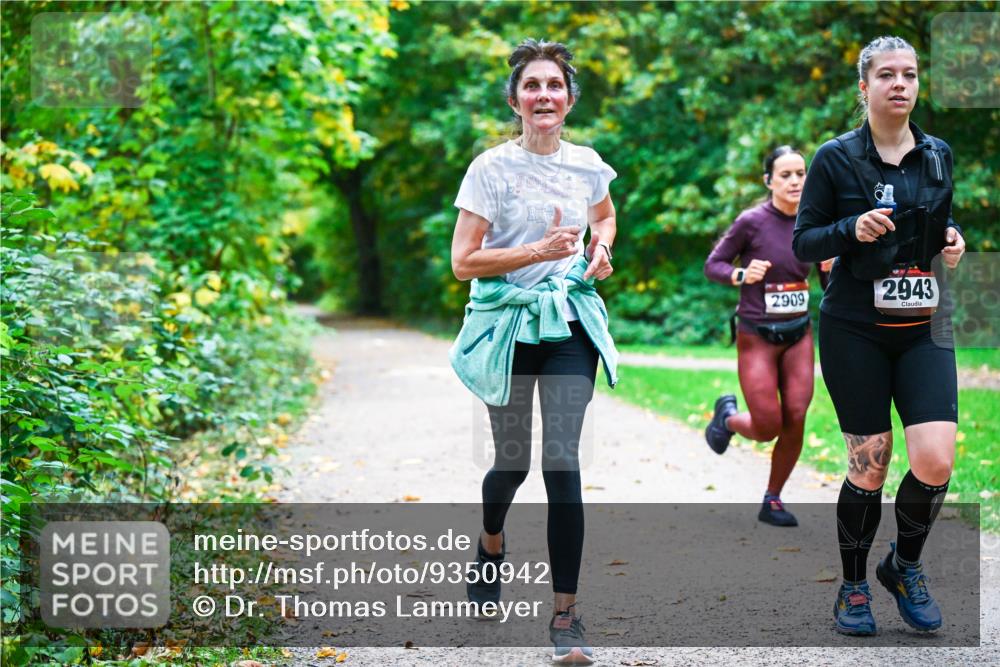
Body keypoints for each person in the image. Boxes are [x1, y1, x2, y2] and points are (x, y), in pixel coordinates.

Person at [449, 38, 619, 665]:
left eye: (554, 86)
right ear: (516, 100)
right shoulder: (489, 169)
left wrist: (601, 249)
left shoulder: (587, 164)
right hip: (509, 327)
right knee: (512, 462)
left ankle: (566, 616)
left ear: (569, 100)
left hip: (568, 323)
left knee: (562, 462)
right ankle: (491, 543)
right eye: (532, 86)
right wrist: (535, 252)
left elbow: (604, 217)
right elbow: (463, 262)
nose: (543, 95)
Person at [793, 36, 966, 636]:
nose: (900, 84)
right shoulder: (835, 158)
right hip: (855, 330)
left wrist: (952, 239)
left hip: (924, 327)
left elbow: (939, 219)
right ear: (864, 87)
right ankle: (853, 586)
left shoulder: (938, 155)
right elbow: (804, 241)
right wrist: (851, 228)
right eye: (887, 74)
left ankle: (903, 566)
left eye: (910, 74)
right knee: (870, 465)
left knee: (935, 460)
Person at [704, 146, 830, 527]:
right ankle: (727, 419)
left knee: (796, 415)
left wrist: (830, 268)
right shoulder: (752, 221)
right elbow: (713, 265)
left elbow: (827, 281)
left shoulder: (815, 220)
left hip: (798, 334)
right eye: (785, 175)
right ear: (768, 181)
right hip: (756, 335)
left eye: (800, 174)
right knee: (767, 425)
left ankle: (772, 498)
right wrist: (742, 275)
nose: (795, 181)